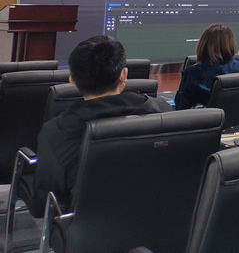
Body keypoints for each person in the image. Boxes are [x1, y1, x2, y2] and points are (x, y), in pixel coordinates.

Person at [32, 36, 171, 215]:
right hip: (164, 220)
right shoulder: (162, 111)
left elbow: (42, 205)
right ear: (124, 75)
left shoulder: (55, 133)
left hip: (90, 229)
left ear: (72, 81)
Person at [175, 23, 239, 110]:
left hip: (206, 118)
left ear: (203, 44)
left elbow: (181, 106)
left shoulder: (192, 73)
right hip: (237, 117)